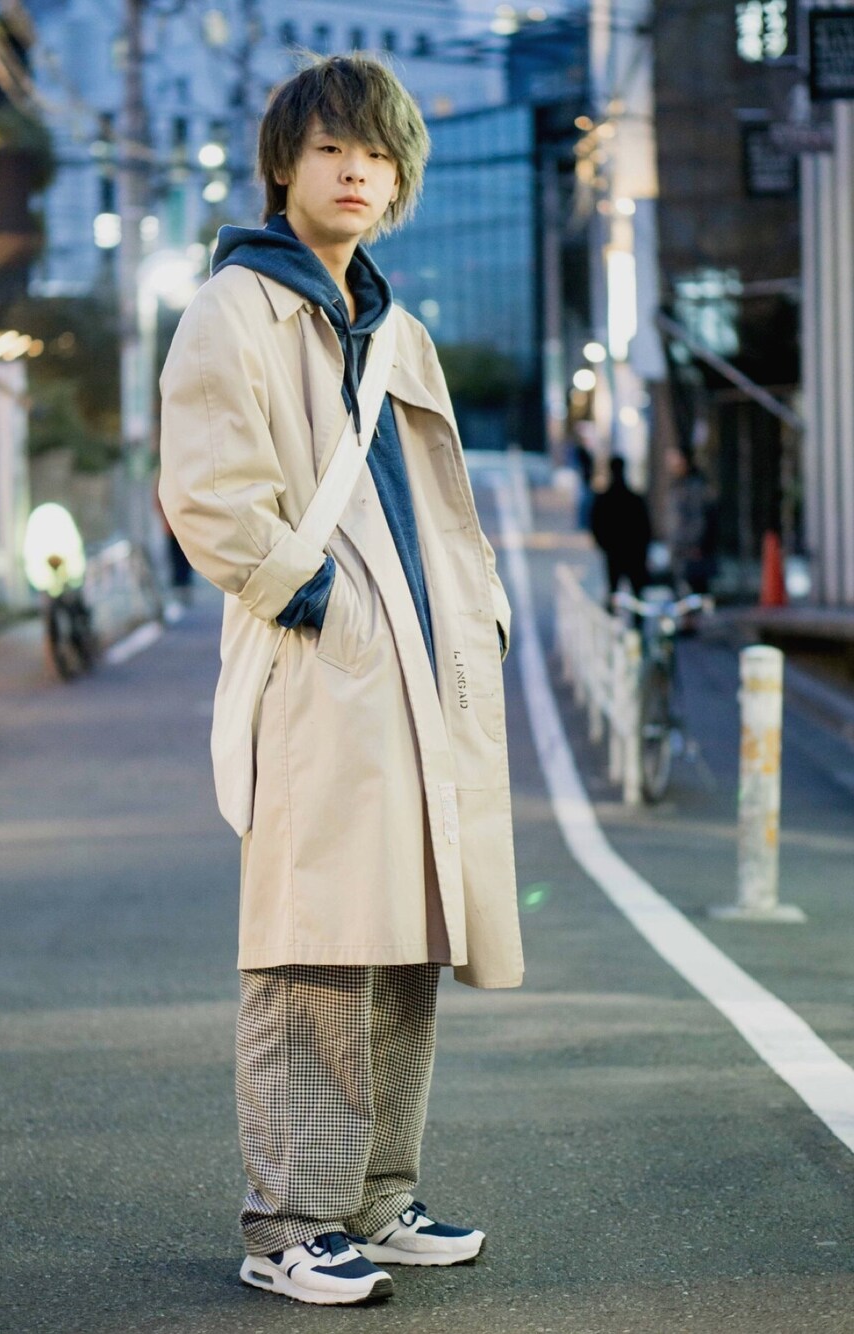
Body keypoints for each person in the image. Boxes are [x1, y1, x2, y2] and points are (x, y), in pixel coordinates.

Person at [159, 54, 523, 1308]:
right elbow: (209, 497)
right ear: (283, 167)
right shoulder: (234, 311)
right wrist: (325, 607)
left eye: (376, 154)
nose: (356, 170)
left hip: (420, 676)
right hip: (327, 670)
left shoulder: (396, 328)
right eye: (330, 149)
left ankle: (374, 1197)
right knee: (314, 944)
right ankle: (291, 1222)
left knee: (404, 938)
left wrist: (475, 614)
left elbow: (440, 506)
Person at [589, 455, 651, 601]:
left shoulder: (605, 499)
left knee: (615, 592)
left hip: (616, 551)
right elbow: (645, 528)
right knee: (634, 593)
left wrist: (604, 545)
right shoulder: (633, 498)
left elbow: (596, 525)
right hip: (631, 551)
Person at [666, 448, 717, 594]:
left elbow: (698, 518)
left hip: (692, 550)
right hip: (679, 548)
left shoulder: (695, 487)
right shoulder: (677, 486)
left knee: (696, 592)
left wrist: (696, 544)